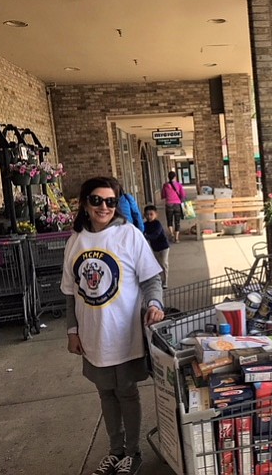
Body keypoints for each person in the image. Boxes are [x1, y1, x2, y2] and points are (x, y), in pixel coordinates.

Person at [61, 176, 165, 475]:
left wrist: (155, 304)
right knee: (105, 393)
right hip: (92, 336)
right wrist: (72, 331)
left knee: (126, 392)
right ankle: (115, 451)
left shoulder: (129, 235)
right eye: (96, 200)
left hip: (124, 335)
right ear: (85, 203)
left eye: (110, 201)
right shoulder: (75, 241)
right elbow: (70, 293)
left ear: (116, 205)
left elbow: (151, 280)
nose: (103, 207)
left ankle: (132, 453)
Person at [143, 204, 170, 289]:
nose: (149, 216)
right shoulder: (145, 224)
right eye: (147, 214)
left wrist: (145, 236)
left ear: (156, 214)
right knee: (157, 264)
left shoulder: (157, 224)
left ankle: (165, 282)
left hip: (164, 247)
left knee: (163, 263)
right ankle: (159, 280)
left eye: (151, 214)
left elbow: (156, 235)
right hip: (155, 248)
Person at [161, 170, 185, 243]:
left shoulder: (165, 185)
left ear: (168, 177)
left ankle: (171, 234)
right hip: (177, 204)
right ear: (175, 177)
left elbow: (163, 195)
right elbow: (183, 195)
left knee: (169, 220)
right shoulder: (179, 185)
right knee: (177, 221)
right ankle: (177, 238)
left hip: (169, 205)